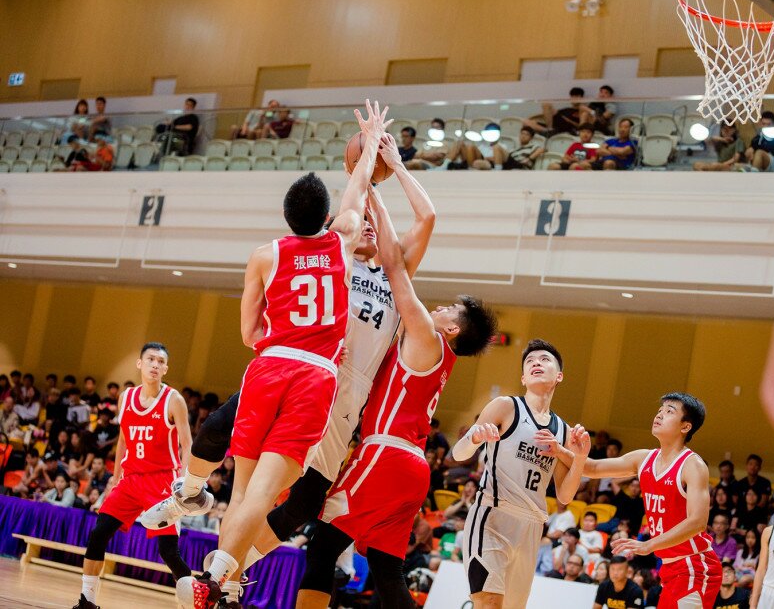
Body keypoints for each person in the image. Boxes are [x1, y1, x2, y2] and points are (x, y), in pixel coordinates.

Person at [141, 129, 437, 607]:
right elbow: (345, 217)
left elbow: (423, 219)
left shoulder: (393, 274)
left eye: (372, 228)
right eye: (360, 223)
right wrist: (363, 178)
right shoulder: (331, 257)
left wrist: (385, 173)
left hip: (340, 397)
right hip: (308, 371)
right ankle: (188, 494)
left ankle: (226, 575)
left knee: (299, 504)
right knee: (218, 429)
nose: (365, 229)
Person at [297, 183, 498, 609]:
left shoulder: (426, 335)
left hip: (385, 455)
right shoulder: (438, 355)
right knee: (388, 570)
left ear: (452, 329)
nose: (438, 307)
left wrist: (374, 196)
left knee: (321, 547)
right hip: (411, 466)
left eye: (447, 310)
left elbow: (394, 266)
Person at [449, 339, 591, 609]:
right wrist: (474, 438)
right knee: (488, 602)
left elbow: (565, 494)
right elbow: (459, 453)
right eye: (530, 361)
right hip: (493, 515)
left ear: (559, 376)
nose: (537, 362)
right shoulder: (505, 406)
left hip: (531, 526)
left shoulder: (564, 431)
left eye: (544, 359)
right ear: (523, 377)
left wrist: (580, 458)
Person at [545, 392, 722, 607]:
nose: (659, 415)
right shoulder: (643, 458)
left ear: (685, 427)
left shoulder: (693, 466)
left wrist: (649, 545)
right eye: (660, 410)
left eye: (669, 411)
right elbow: (592, 467)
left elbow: (697, 522)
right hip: (671, 567)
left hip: (695, 566)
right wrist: (558, 449)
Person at [71, 342, 194, 609]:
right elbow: (123, 440)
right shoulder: (125, 397)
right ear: (139, 364)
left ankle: (200, 599)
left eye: (160, 361)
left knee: (168, 552)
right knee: (98, 534)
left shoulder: (174, 400)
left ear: (165, 368)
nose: (155, 365)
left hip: (162, 482)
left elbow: (187, 445)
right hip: (130, 479)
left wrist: (184, 483)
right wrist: (115, 477)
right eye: (150, 359)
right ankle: (87, 600)